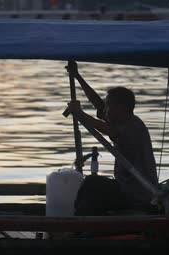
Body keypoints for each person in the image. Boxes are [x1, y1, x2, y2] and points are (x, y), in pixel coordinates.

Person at [66, 62, 158, 214]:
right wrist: (77, 77)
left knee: (91, 183)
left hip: (138, 194)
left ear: (121, 108)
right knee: (94, 189)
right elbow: (98, 104)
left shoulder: (133, 128)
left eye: (109, 106)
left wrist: (80, 113)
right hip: (126, 188)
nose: (105, 110)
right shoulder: (120, 118)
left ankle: (76, 225)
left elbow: (109, 131)